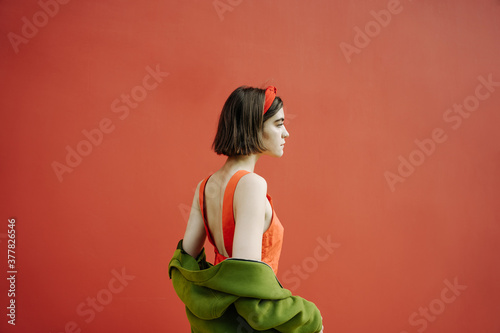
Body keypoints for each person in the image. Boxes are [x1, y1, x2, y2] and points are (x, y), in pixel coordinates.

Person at [169, 85, 324, 333]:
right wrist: (309, 317)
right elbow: (248, 281)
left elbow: (183, 264)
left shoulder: (204, 187)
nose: (286, 133)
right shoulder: (251, 184)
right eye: (278, 123)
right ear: (254, 126)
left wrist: (206, 309)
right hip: (251, 324)